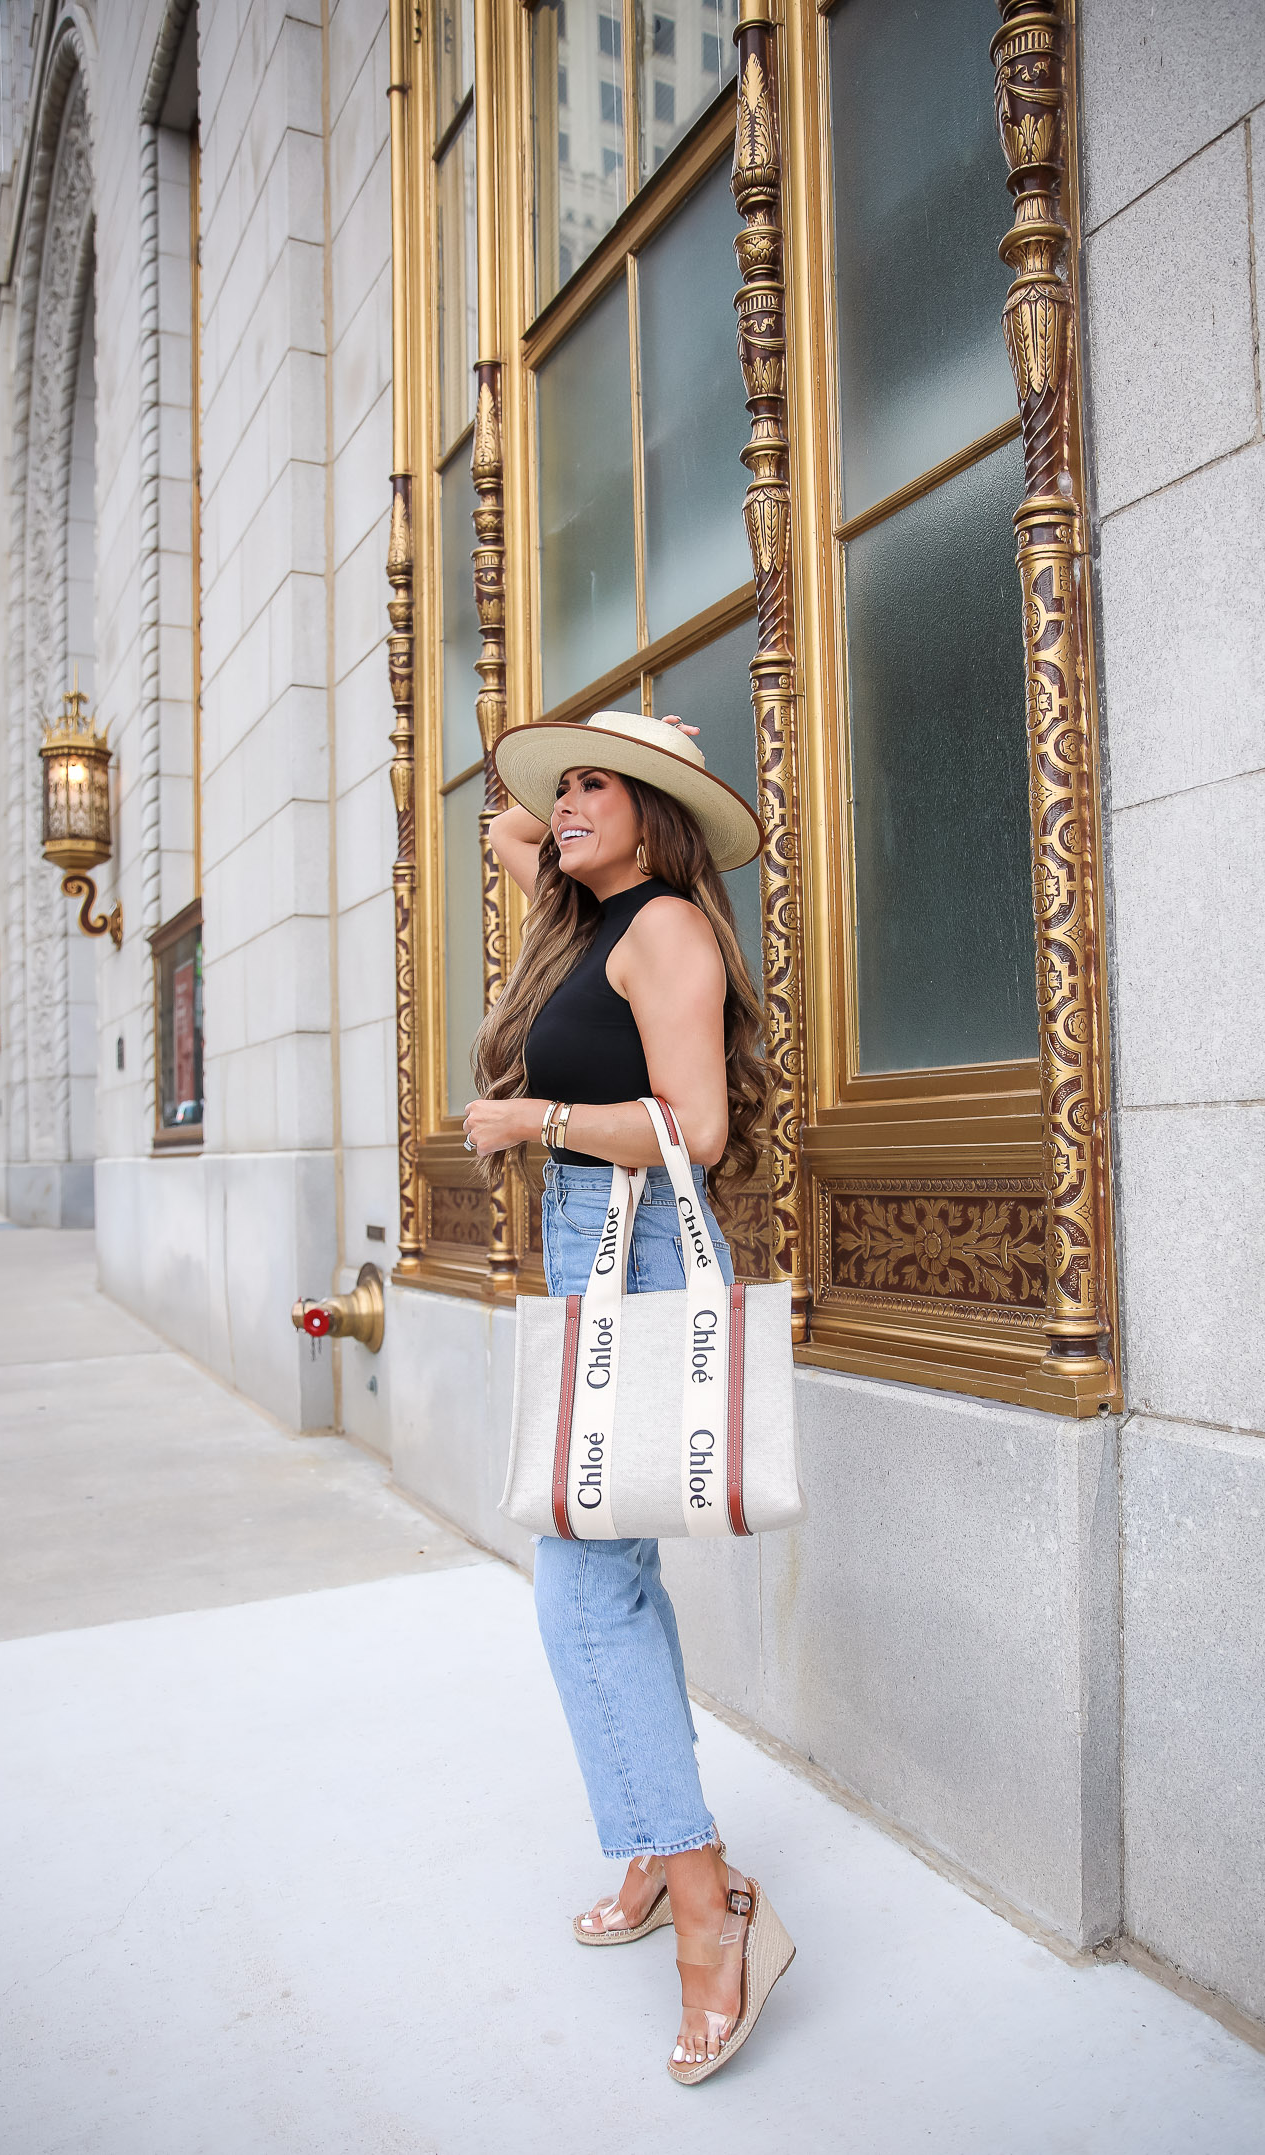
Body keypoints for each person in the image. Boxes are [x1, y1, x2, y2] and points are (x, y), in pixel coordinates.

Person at [462, 708, 795, 2085]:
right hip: (589, 1244)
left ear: (654, 818)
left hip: (641, 1246)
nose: (564, 805)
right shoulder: (592, 920)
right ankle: (662, 1856)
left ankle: (714, 1907)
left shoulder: (664, 930)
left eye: (598, 786)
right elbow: (527, 833)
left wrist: (529, 1122)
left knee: (580, 1587)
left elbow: (697, 1132)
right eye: (563, 791)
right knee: (618, 1580)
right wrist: (560, 812)